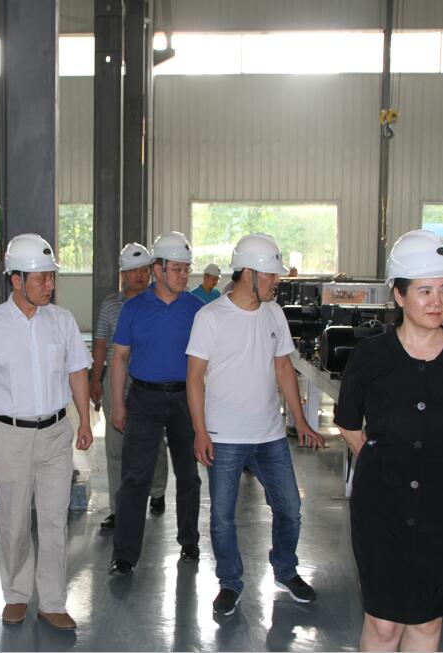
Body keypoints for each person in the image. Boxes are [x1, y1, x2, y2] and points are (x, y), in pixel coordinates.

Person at [334, 229, 443, 652]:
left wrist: (427, 456)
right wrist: (387, 464)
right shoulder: (370, 356)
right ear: (399, 295)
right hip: (380, 506)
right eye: (424, 291)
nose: (437, 301)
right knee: (383, 624)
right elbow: (349, 425)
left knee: (428, 620)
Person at [186, 233, 326, 617]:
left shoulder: (274, 313)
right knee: (222, 518)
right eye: (271, 275)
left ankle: (285, 570)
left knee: (290, 508)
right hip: (224, 437)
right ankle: (230, 582)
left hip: (270, 436)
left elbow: (283, 368)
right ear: (249, 274)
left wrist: (301, 422)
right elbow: (194, 378)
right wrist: (200, 431)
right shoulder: (210, 317)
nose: (277, 281)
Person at [0, 233, 93, 631]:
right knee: (15, 521)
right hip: (10, 435)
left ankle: (52, 602)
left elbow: (77, 372)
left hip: (56, 433)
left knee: (54, 520)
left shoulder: (62, 321)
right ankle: (17, 594)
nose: (49, 284)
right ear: (16, 280)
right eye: (41, 278)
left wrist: (85, 420)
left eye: (51, 277)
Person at [109, 231, 204, 576]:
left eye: (186, 269)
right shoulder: (133, 309)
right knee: (135, 477)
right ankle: (124, 554)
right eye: (177, 269)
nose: (183, 275)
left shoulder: (197, 309)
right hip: (143, 399)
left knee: (188, 474)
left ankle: (189, 540)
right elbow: (120, 358)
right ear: (158, 269)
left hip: (185, 399)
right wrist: (118, 404)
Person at [90, 242, 169, 530]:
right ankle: (118, 507)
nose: (139, 275)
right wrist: (95, 379)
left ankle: (157, 489)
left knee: (154, 440)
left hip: (150, 380)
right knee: (115, 446)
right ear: (122, 274)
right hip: (115, 379)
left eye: (144, 270)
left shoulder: (161, 304)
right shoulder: (110, 305)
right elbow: (101, 343)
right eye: (133, 270)